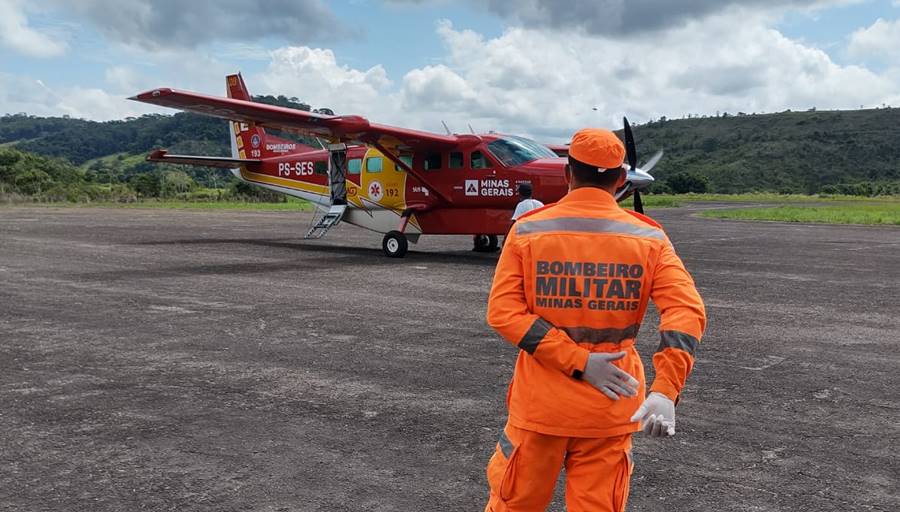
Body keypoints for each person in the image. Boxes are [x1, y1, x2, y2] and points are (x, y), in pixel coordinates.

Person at [483, 128, 706, 512]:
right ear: (621, 180)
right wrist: (665, 390)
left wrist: (579, 363)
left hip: (541, 407)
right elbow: (686, 311)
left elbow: (504, 312)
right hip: (613, 405)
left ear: (568, 174)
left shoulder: (529, 229)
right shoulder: (649, 237)